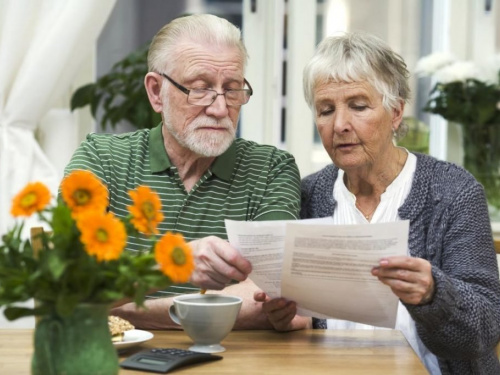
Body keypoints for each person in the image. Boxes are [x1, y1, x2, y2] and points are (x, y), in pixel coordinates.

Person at [255, 32, 500, 373]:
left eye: (358, 106)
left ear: (396, 112)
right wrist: (286, 318)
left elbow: (484, 331)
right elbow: (302, 327)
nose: (339, 125)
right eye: (326, 110)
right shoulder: (308, 194)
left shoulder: (454, 192)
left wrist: (433, 294)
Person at [64, 14, 301, 330]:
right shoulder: (101, 159)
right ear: (155, 92)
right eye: (200, 88)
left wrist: (121, 311)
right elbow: (68, 286)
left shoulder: (271, 168)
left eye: (232, 90)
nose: (219, 109)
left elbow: (269, 300)